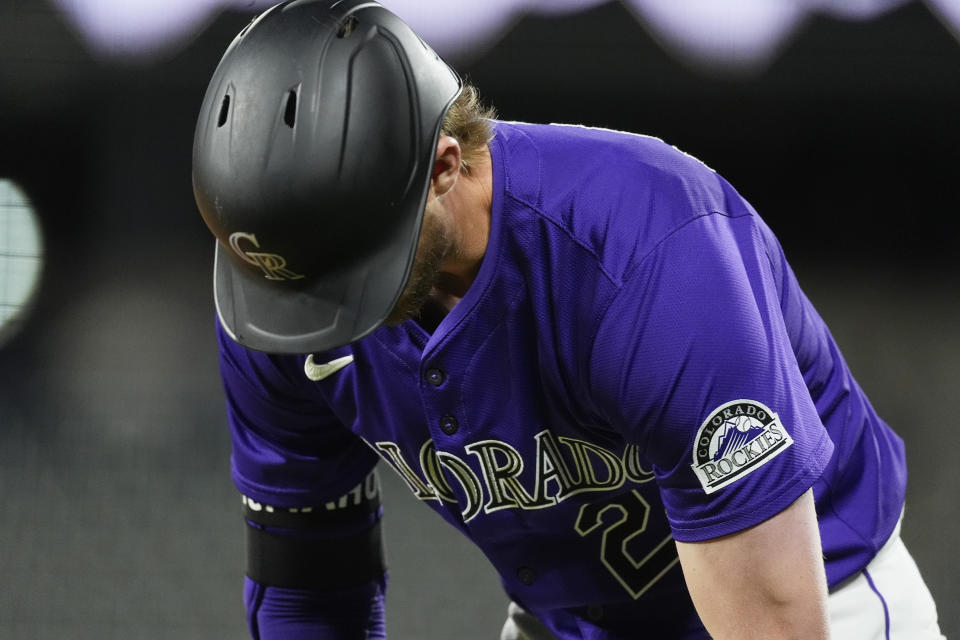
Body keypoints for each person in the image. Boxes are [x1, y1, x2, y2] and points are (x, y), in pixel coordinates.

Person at [191, 1, 945, 638]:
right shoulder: (285, 298)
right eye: (298, 281)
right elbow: (307, 580)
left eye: (347, 267)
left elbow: (776, 616)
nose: (323, 308)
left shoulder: (647, 251)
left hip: (819, 591)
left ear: (446, 166)